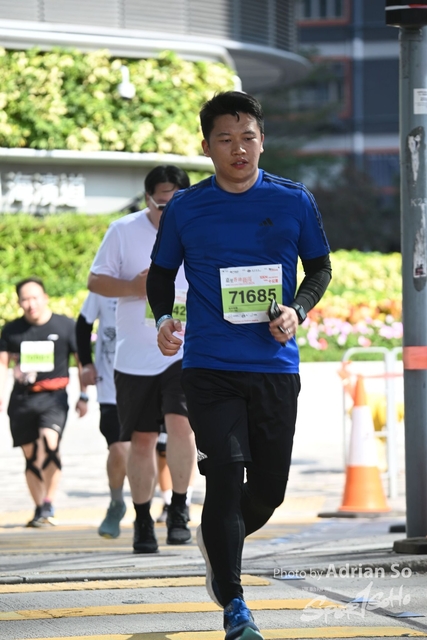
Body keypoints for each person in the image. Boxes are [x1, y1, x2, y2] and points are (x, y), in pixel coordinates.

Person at [147, 91, 332, 640]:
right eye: (225, 139)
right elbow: (161, 275)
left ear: (262, 141)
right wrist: (164, 319)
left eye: (247, 137)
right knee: (225, 478)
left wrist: (297, 310)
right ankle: (235, 605)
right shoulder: (186, 207)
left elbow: (319, 268)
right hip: (210, 367)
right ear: (206, 147)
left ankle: (218, 543)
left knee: (269, 490)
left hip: (275, 365)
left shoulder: (293, 199)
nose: (238, 148)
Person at [87, 164, 196, 553]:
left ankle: (179, 509)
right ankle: (143, 519)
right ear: (148, 199)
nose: (168, 213)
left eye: (176, 204)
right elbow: (96, 281)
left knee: (182, 426)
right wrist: (135, 287)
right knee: (143, 438)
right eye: (162, 205)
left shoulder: (197, 228)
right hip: (135, 354)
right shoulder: (123, 231)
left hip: (183, 349)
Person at [0, 277, 88, 527]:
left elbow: (81, 361)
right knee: (31, 455)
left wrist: (83, 395)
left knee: (49, 445)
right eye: (25, 299)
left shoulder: (65, 325)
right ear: (19, 302)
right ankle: (39, 507)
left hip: (54, 397)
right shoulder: (11, 330)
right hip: (22, 400)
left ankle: (49, 501)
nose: (31, 304)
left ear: (45, 297)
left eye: (35, 298)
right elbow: (3, 364)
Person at [76, 292, 130, 538]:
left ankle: (160, 508)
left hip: (151, 381)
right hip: (110, 388)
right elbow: (82, 325)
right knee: (118, 448)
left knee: (149, 450)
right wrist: (86, 363)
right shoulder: (103, 285)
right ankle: (117, 502)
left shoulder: (161, 278)